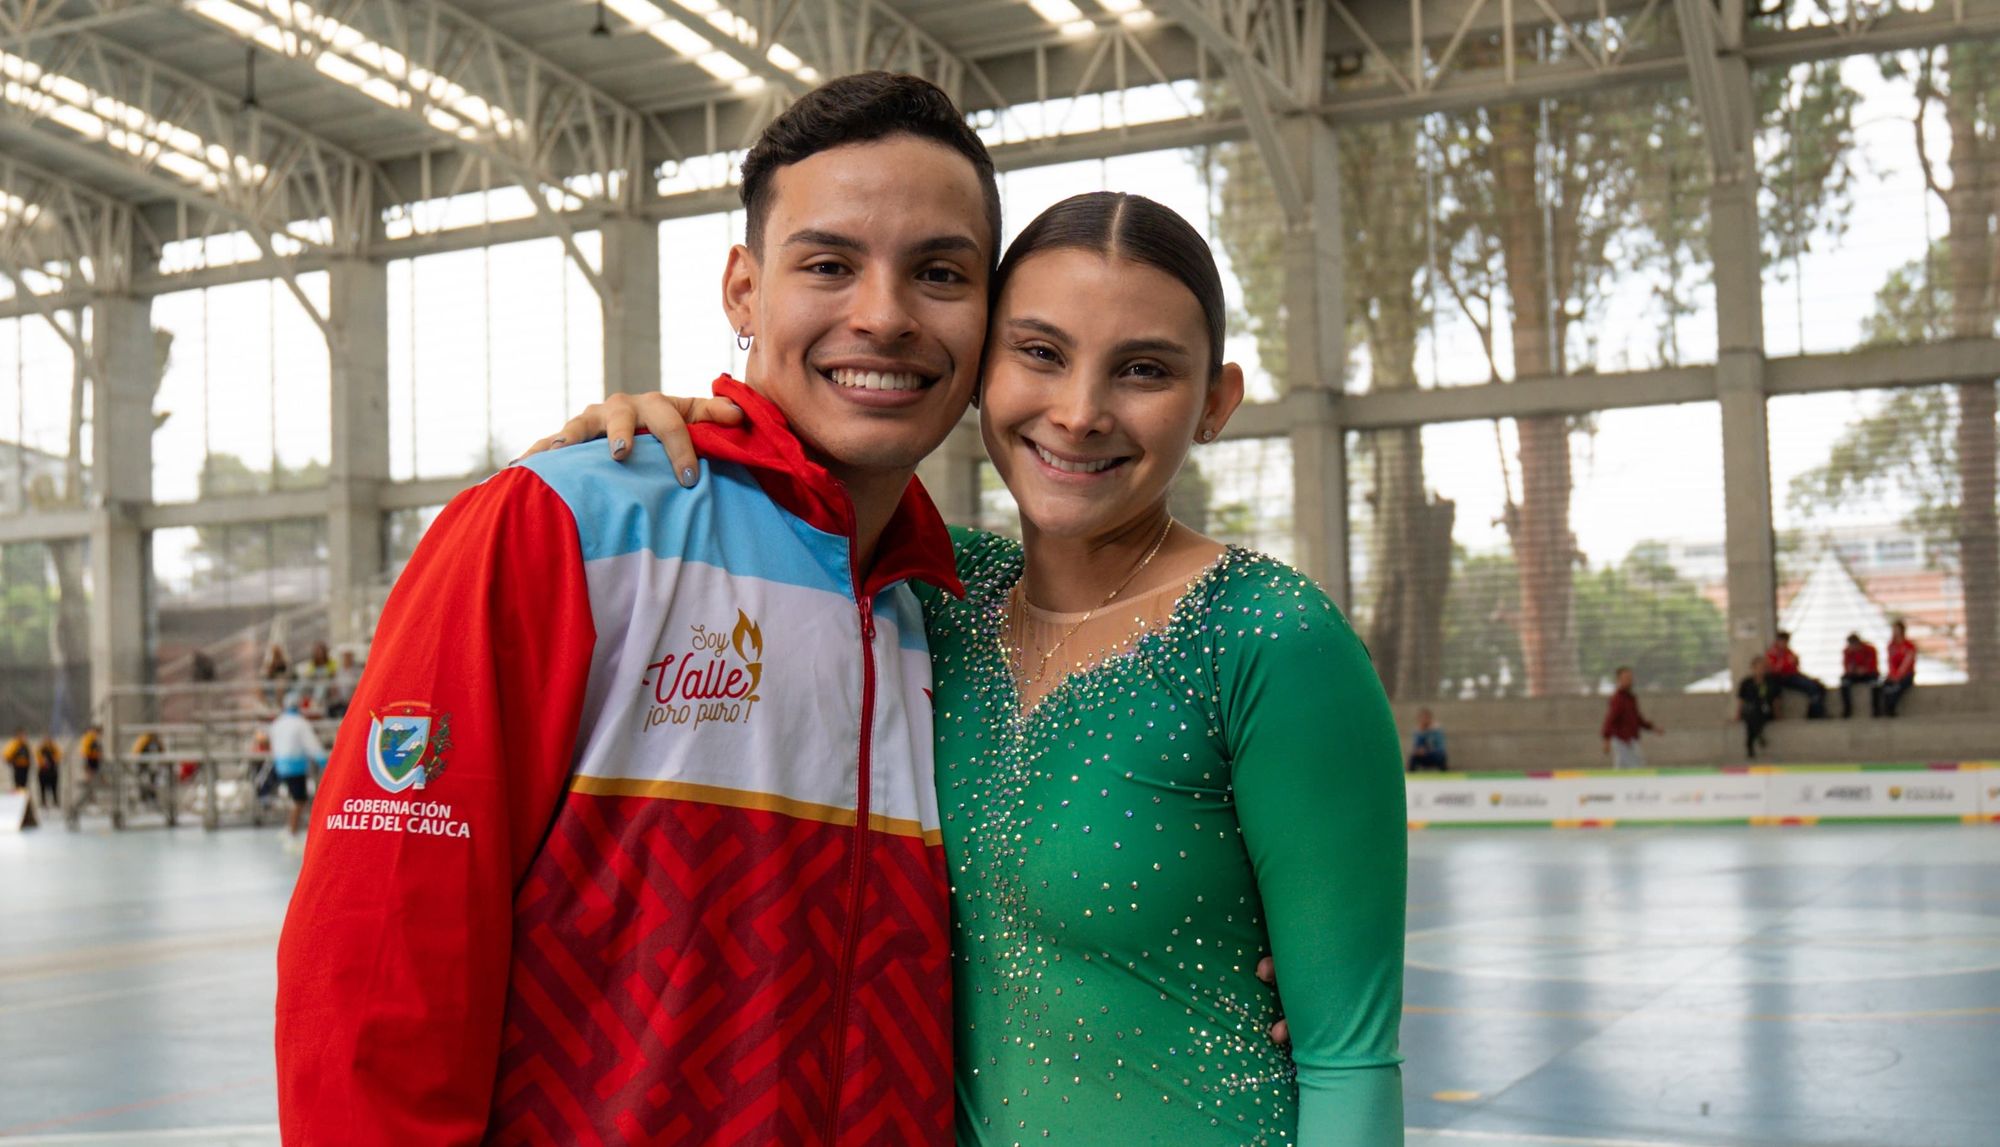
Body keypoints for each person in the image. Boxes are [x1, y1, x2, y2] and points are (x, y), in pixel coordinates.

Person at [543, 191, 1407, 1144]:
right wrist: (657, 437)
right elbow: (791, 511)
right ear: (977, 370)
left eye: (1145, 370)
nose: (1079, 413)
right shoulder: (929, 598)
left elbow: (1351, 1060)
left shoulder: (1271, 638)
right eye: (1040, 353)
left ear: (1215, 402)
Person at [277, 73, 996, 1144]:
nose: (883, 316)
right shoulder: (555, 529)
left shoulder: (962, 612)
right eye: (828, 265)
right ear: (744, 292)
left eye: (939, 272)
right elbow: (378, 966)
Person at [268, 694, 326, 839]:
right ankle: (292, 831)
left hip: (281, 765)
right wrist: (322, 760)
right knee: (299, 800)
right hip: (296, 766)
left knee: (294, 798)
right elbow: (311, 745)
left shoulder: (278, 723)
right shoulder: (301, 723)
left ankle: (290, 828)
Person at [1601, 666, 1661, 768]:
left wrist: (1651, 727)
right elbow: (1611, 719)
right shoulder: (1618, 699)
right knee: (1637, 766)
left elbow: (1637, 718)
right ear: (1619, 680)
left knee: (1623, 767)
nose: (1629, 680)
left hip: (1631, 738)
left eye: (1630, 678)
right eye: (1626, 678)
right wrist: (1607, 739)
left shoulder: (1630, 698)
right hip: (1622, 739)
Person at [1764, 630, 1828, 718]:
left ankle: (1813, 712)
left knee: (1819, 686)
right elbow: (1774, 669)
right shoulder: (1772, 653)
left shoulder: (1788, 651)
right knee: (1811, 687)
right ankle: (1816, 714)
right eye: (1782, 641)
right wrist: (1787, 662)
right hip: (1783, 678)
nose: (1784, 644)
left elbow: (1794, 666)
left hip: (1794, 675)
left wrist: (1795, 661)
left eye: (1786, 641)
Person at [1736, 655, 1777, 758]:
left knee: (1756, 714)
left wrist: (1778, 714)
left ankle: (1750, 744)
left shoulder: (1770, 682)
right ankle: (1758, 734)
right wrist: (1738, 714)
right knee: (1751, 714)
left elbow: (1776, 700)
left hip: (1765, 710)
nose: (1760, 671)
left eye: (1762, 668)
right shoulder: (1746, 683)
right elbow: (1741, 700)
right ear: (1753, 668)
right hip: (1750, 710)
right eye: (1758, 668)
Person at [1877, 619, 1917, 717]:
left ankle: (1891, 708)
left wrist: (1898, 676)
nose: (1894, 632)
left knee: (1898, 687)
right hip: (1894, 674)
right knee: (1885, 685)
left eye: (1896, 629)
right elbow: (1890, 662)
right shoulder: (1891, 645)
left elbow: (1907, 664)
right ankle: (1882, 709)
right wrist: (1892, 674)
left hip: (1907, 674)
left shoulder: (1909, 646)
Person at [1838, 631, 1880, 718]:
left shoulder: (1870, 649)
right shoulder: (1847, 651)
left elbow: (1873, 664)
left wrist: (1865, 670)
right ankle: (1847, 710)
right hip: (1854, 675)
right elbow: (1846, 666)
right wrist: (1853, 670)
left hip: (1868, 674)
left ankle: (1876, 709)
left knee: (1875, 683)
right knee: (1844, 682)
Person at [34, 733, 61, 809]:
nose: (47, 740)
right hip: (43, 771)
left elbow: (59, 755)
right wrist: (43, 762)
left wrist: (53, 759)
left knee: (54, 787)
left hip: (52, 771)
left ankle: (55, 802)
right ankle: (43, 802)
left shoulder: (53, 747)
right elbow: (37, 756)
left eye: (48, 739)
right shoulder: (41, 748)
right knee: (42, 788)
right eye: (45, 739)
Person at [260, 643, 290, 707]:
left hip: (280, 684)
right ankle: (266, 705)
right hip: (271, 683)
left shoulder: (283, 662)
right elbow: (267, 673)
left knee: (280, 684)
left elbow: (285, 673)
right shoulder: (270, 662)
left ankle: (279, 706)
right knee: (258, 686)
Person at [3, 727, 29, 792]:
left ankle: (23, 798)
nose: (23, 736)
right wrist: (11, 761)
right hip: (18, 768)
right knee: (18, 785)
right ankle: (19, 798)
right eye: (21, 734)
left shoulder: (24, 744)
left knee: (24, 785)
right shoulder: (14, 744)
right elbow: (6, 754)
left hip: (25, 768)